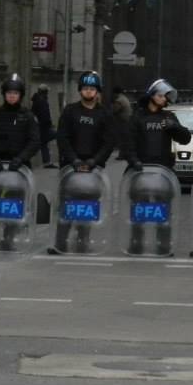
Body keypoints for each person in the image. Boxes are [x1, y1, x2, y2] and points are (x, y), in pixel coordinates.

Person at [123, 79, 191, 254]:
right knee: (139, 209)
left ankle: (163, 245)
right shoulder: (137, 117)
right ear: (152, 96)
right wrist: (134, 162)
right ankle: (136, 243)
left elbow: (185, 138)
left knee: (163, 210)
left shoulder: (168, 117)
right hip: (140, 172)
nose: (163, 99)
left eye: (165, 97)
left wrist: (174, 127)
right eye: (160, 96)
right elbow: (128, 144)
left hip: (163, 172)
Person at [0, 74, 41, 252]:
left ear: (20, 95)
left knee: (14, 203)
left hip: (18, 169)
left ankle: (8, 238)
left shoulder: (28, 117)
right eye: (9, 93)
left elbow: (34, 141)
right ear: (4, 94)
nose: (12, 96)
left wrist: (21, 159)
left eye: (15, 93)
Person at [52, 71, 116, 253]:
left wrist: (96, 160)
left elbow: (109, 141)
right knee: (66, 206)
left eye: (92, 89)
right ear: (80, 90)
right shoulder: (70, 111)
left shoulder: (105, 114)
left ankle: (82, 242)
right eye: (86, 88)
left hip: (93, 169)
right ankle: (60, 243)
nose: (89, 91)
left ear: (97, 92)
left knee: (87, 207)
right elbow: (62, 137)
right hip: (70, 167)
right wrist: (73, 159)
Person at [31, 83, 56, 168]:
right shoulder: (42, 101)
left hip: (40, 126)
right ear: (44, 92)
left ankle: (47, 162)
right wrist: (49, 124)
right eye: (46, 92)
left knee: (43, 143)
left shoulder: (36, 100)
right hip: (43, 126)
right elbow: (45, 115)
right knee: (60, 135)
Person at [110, 86, 133, 159]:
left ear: (115, 93)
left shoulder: (119, 100)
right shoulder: (124, 98)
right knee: (125, 138)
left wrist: (112, 106)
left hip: (123, 121)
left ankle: (122, 155)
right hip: (128, 120)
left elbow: (115, 110)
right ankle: (125, 154)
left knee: (121, 139)